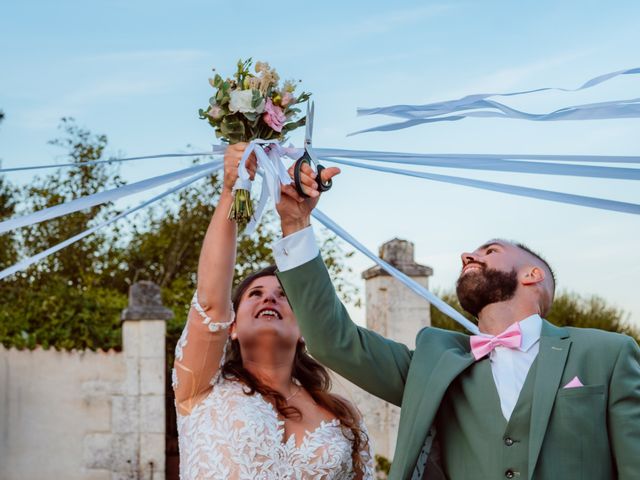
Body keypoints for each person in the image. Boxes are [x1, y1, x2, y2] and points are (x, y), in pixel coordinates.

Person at [273, 163, 640, 480]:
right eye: (472, 252)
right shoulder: (434, 365)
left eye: (490, 251)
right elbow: (333, 340)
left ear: (532, 275)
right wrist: (296, 224)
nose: (468, 255)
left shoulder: (608, 354)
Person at [172, 144, 373, 480]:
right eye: (255, 293)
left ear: (303, 328)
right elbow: (210, 302)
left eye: (284, 295)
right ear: (232, 326)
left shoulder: (340, 414)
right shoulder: (203, 385)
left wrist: (298, 221)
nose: (270, 299)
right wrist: (231, 190)